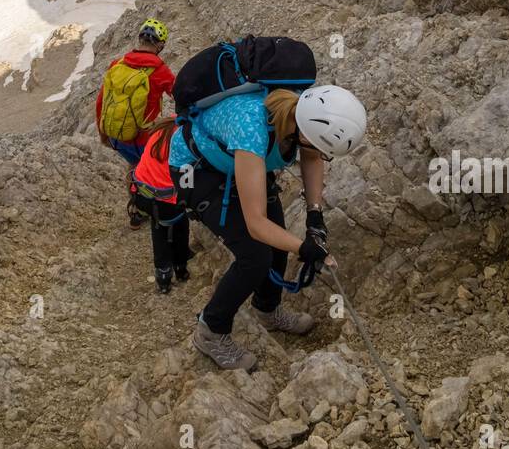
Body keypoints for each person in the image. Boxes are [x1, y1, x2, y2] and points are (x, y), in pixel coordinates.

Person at [157, 83, 367, 371]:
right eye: (322, 148)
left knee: (277, 242)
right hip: (195, 171)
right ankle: (211, 330)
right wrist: (304, 248)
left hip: (231, 161)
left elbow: (311, 156)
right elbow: (256, 225)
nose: (321, 155)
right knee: (255, 256)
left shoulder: (299, 117)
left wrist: (314, 217)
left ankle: (266, 309)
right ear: (304, 133)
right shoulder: (252, 131)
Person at [95, 18, 175, 228]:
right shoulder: (160, 71)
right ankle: (159, 211)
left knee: (134, 167)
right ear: (160, 45)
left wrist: (102, 131)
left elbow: (102, 101)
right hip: (145, 137)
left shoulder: (118, 64)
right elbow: (179, 95)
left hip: (117, 135)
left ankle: (136, 213)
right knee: (154, 170)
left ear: (139, 39)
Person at [130, 125, 193, 294]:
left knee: (158, 226)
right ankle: (180, 267)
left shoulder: (163, 128)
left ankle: (163, 275)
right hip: (169, 201)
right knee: (180, 224)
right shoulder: (190, 137)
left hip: (142, 193)